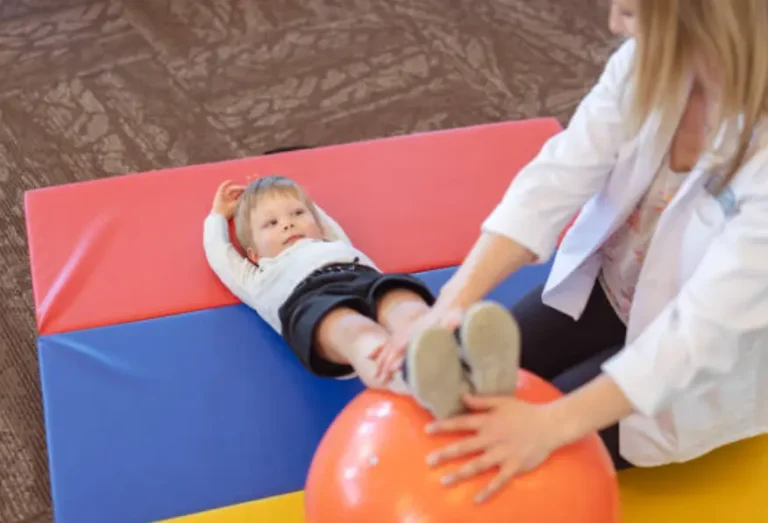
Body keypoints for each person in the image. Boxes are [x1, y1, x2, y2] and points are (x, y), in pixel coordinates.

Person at [375, 0, 768, 504]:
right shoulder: (644, 65)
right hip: (610, 291)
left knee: (516, 454)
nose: (613, 25)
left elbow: (700, 333)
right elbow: (555, 179)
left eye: (631, 13)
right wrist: (454, 298)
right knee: (456, 385)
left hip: (701, 358)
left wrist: (549, 425)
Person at [202, 175, 521, 419]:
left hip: (365, 279)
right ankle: (409, 379)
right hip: (311, 300)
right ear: (253, 254)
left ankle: (462, 354)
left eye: (297, 213)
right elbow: (220, 255)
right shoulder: (257, 277)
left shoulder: (333, 242)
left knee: (405, 306)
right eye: (271, 224)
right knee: (356, 332)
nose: (288, 223)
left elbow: (318, 216)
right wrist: (217, 216)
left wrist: (289, 193)